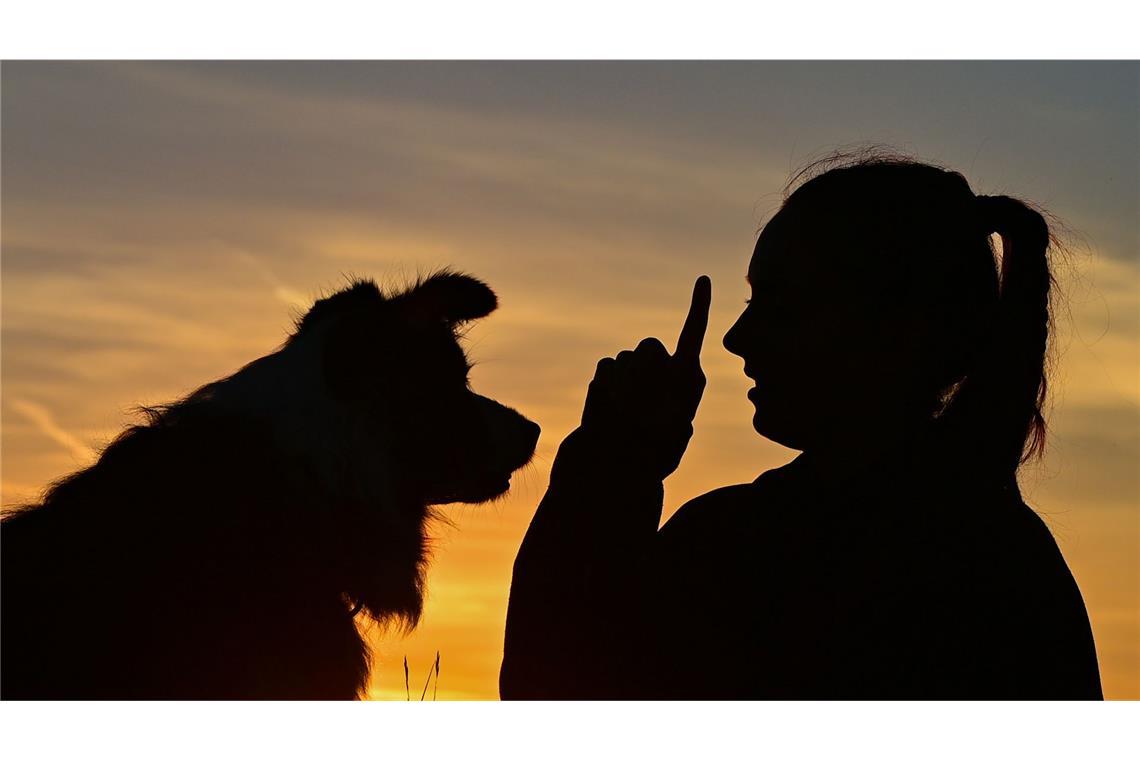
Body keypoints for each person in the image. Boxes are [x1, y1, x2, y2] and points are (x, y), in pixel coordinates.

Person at [499, 154, 1103, 699]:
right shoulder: (1011, 561)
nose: (738, 338)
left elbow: (550, 693)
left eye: (781, 306)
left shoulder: (746, 549)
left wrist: (613, 463)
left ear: (894, 330)